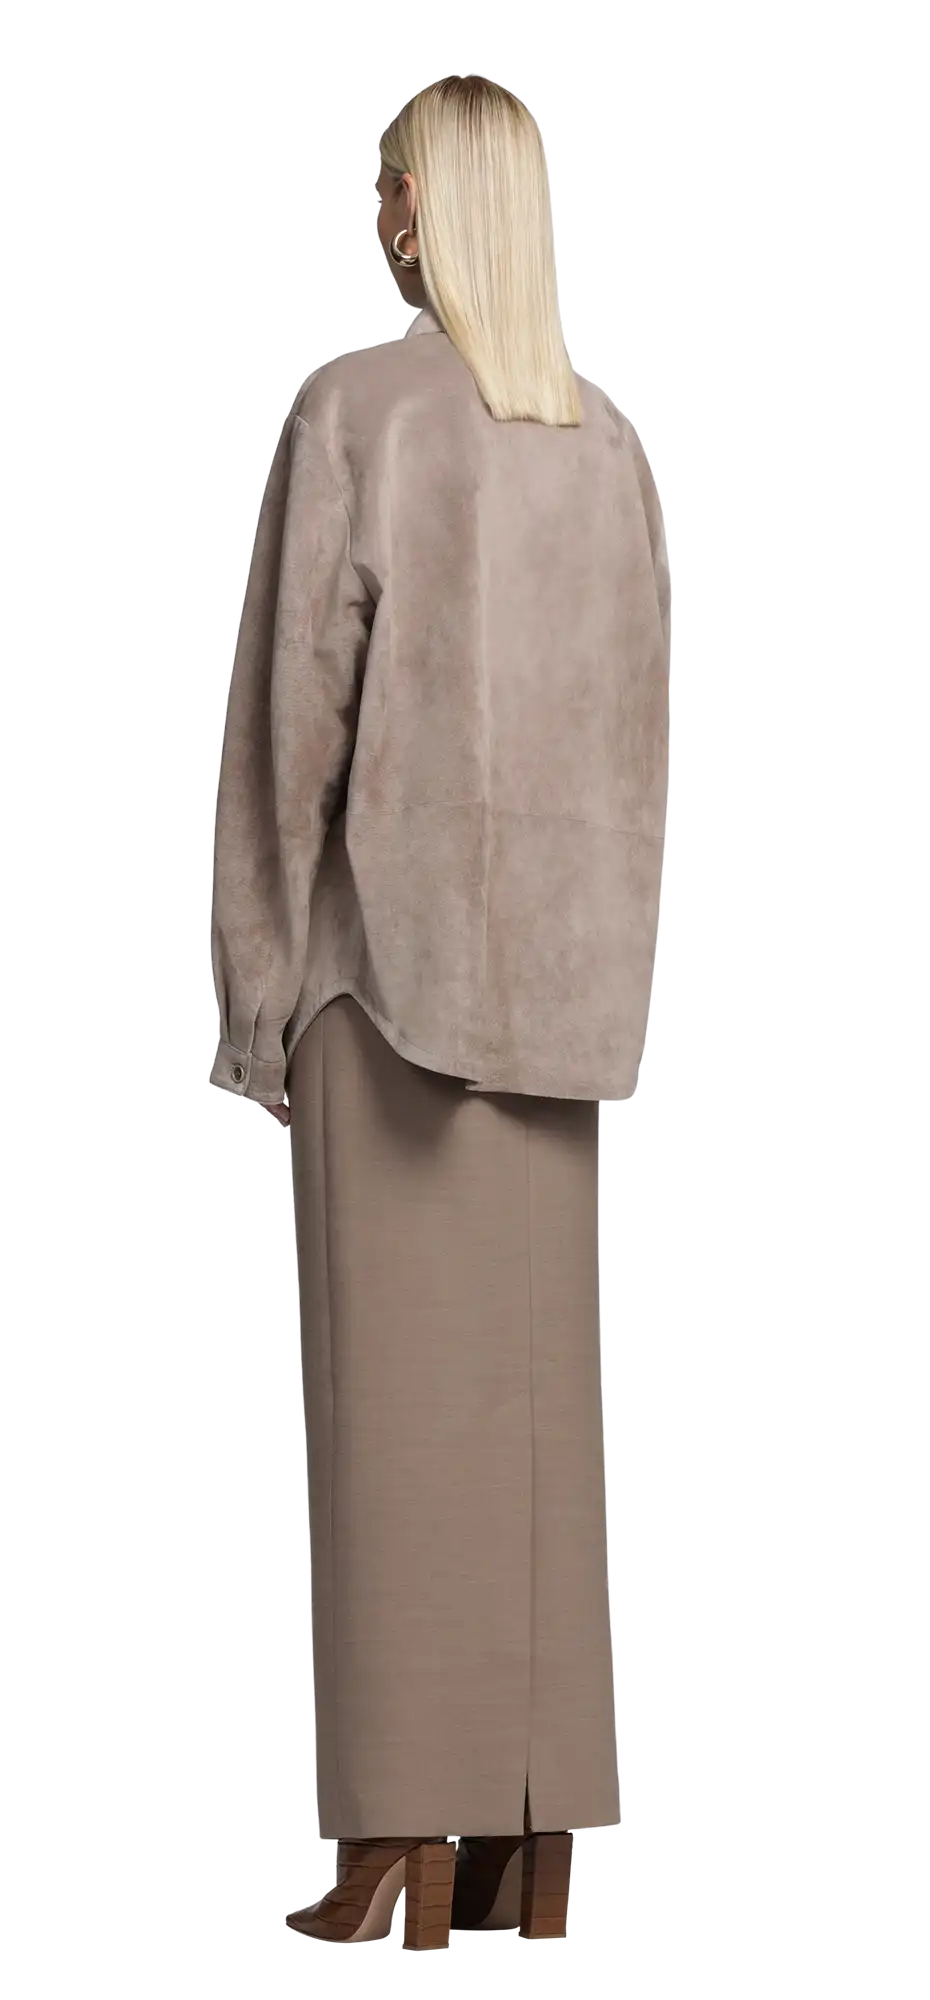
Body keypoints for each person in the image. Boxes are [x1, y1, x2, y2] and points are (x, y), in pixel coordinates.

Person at [209, 70, 670, 1950]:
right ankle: (529, 1838)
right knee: (535, 1428)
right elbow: (639, 739)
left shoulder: (358, 412)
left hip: (385, 986)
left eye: (382, 182)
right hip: (558, 995)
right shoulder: (604, 441)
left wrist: (259, 994)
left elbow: (284, 733)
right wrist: (606, 967)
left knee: (395, 1422)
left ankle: (398, 1833)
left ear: (420, 208)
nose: (373, 211)